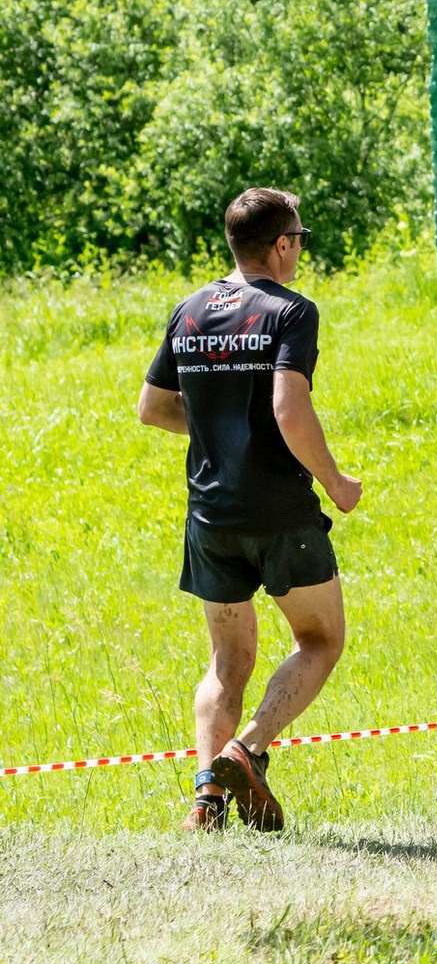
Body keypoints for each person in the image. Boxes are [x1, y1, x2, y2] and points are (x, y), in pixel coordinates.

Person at [137, 187, 362, 833]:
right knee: (320, 639)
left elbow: (152, 407)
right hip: (280, 513)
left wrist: (220, 429)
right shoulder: (291, 311)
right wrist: (335, 481)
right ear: (282, 245)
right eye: (300, 239)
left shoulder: (189, 310)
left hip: (210, 516)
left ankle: (206, 801)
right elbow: (289, 408)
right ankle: (248, 748)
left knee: (226, 659)